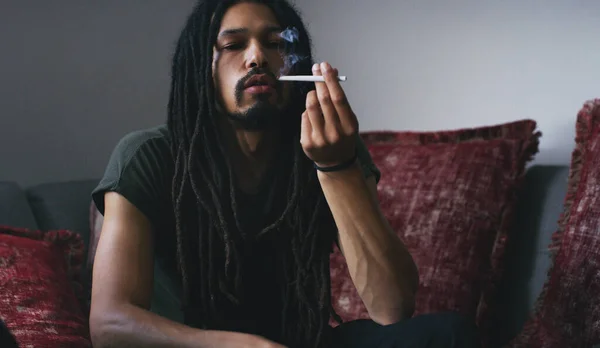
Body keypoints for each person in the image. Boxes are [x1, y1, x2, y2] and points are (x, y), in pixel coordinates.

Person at [88, 0, 481, 347]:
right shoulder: (148, 156)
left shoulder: (326, 147)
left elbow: (392, 307)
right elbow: (110, 325)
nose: (257, 56)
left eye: (276, 44)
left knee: (446, 335)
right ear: (199, 68)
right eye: (233, 45)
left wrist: (336, 167)